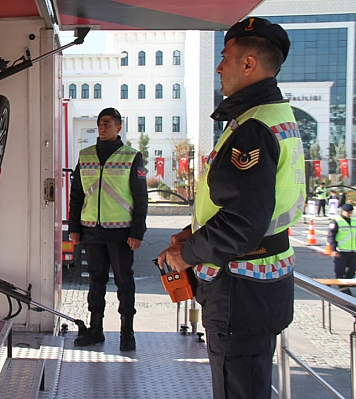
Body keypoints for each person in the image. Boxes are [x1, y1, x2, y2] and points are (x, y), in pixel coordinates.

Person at [157, 17, 305, 399]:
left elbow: (242, 222)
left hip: (241, 288)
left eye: (225, 58)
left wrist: (185, 253)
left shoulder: (254, 128)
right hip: (260, 285)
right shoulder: (272, 117)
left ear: (249, 64)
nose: (219, 67)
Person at [68, 107, 148, 351]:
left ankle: (127, 332)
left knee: (124, 282)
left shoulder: (131, 157)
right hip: (91, 230)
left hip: (121, 232)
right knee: (96, 281)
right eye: (100, 124)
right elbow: (77, 194)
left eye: (107, 123)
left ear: (118, 127)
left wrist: (137, 232)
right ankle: (95, 329)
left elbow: (140, 196)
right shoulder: (86, 155)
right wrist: (74, 227)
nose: (102, 128)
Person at [327, 204, 356, 295]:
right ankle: (343, 289)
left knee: (352, 269)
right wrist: (333, 250)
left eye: (351, 212)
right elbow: (331, 236)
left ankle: (345, 285)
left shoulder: (354, 221)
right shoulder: (336, 221)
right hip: (341, 251)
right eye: (348, 212)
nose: (349, 214)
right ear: (343, 211)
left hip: (353, 251)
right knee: (340, 271)